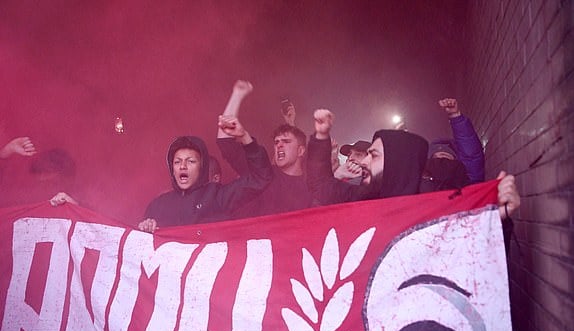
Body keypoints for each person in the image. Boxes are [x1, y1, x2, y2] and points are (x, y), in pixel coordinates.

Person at [307, 108, 520, 220]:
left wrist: (498, 219)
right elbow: (320, 187)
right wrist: (320, 137)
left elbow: (468, 251)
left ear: (396, 163)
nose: (365, 161)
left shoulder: (438, 206)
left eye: (374, 155)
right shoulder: (364, 197)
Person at [138, 116, 273, 233]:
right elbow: (140, 250)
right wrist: (145, 229)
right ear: (172, 168)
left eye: (190, 161)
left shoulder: (217, 196)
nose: (183, 166)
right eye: (177, 162)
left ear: (202, 168)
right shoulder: (158, 205)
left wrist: (245, 138)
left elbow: (261, 177)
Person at [216, 80, 315, 218]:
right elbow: (226, 144)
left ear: (301, 151)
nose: (279, 145)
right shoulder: (263, 176)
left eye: (285, 142)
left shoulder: (309, 188)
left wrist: (291, 124)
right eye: (276, 142)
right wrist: (237, 95)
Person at [438, 98, 485, 184]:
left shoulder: (466, 180)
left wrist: (455, 116)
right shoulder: (422, 185)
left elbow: (470, 155)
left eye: (448, 159)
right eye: (437, 159)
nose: (442, 159)